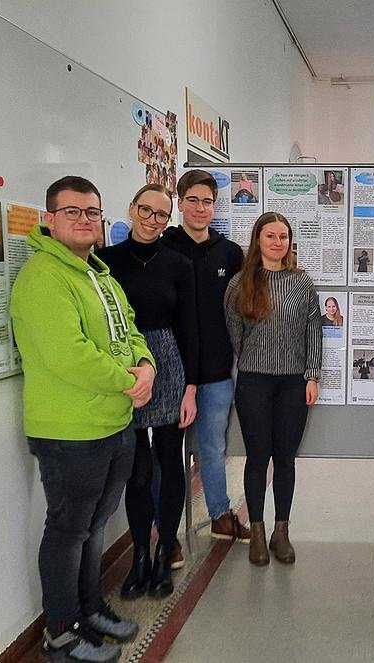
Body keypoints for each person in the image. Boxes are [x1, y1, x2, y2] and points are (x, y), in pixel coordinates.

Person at [11, 176, 155, 662]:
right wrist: (127, 379)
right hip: (69, 433)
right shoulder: (43, 278)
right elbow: (67, 354)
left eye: (92, 212)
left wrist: (147, 367)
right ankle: (61, 632)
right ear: (49, 219)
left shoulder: (100, 274)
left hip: (114, 425)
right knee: (69, 531)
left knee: (94, 528)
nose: (85, 220)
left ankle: (89, 610)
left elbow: (131, 330)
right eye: (72, 212)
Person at [96, 183, 198, 600]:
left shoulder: (177, 264)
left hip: (169, 361)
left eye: (161, 214)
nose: (152, 220)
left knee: (170, 461)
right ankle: (139, 555)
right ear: (132, 208)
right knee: (137, 468)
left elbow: (189, 328)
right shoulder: (105, 261)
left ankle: (162, 554)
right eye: (146, 210)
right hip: (126, 363)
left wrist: (190, 388)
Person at [225, 212, 322, 566]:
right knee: (257, 458)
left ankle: (282, 532)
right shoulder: (240, 283)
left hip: (293, 384)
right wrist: (254, 358)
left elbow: (314, 331)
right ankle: (258, 533)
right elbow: (234, 331)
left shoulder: (303, 283)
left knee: (285, 459)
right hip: (254, 382)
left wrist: (312, 375)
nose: (278, 243)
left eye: (284, 237)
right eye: (271, 236)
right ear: (258, 240)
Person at [160, 170, 250, 542]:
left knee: (212, 446)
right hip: (168, 368)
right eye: (193, 200)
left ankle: (219, 513)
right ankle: (164, 533)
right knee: (165, 453)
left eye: (207, 201)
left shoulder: (229, 253)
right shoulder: (163, 247)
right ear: (180, 203)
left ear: (216, 205)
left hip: (215, 369)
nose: (200, 208)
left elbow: (244, 304)